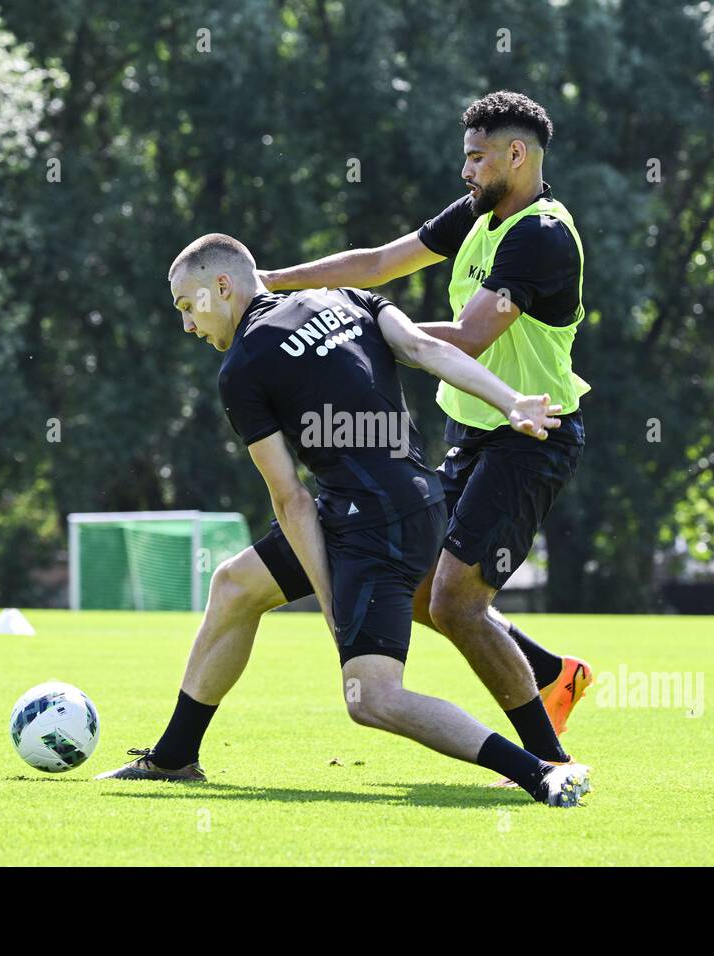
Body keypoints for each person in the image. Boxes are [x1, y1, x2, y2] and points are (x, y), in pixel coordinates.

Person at [94, 234, 591, 807]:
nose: (187, 324)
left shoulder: (244, 367)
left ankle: (540, 771)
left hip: (374, 527)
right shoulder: (346, 299)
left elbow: (291, 500)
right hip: (407, 501)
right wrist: (510, 402)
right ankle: (174, 757)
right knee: (234, 586)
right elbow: (428, 351)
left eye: (188, 305)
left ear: (222, 287)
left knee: (370, 697)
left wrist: (329, 600)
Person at [257, 91, 593, 773]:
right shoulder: (478, 212)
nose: (465, 170)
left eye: (476, 157)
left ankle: (549, 761)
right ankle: (553, 673)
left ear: (516, 155)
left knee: (457, 603)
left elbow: (468, 338)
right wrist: (280, 285)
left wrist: (359, 334)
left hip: (530, 437)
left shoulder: (542, 235)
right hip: (472, 434)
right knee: (419, 590)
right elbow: (379, 262)